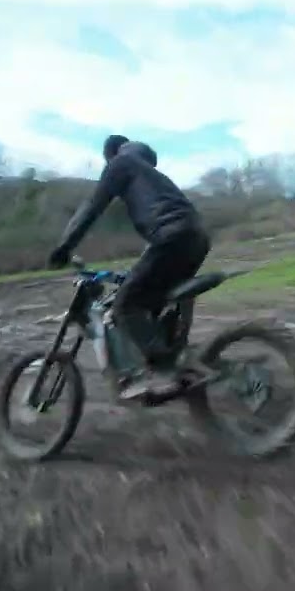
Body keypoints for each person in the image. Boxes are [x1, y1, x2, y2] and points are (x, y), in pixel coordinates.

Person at [47, 134, 211, 399]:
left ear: (111, 154)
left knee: (125, 306)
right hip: (197, 237)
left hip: (172, 238)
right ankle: (177, 356)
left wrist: (64, 247)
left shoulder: (120, 163)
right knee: (153, 301)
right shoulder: (151, 175)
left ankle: (164, 371)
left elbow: (92, 207)